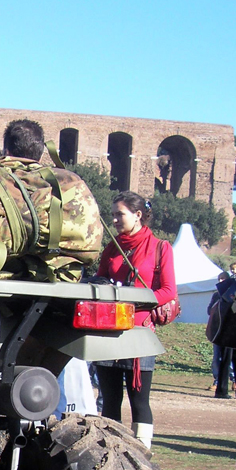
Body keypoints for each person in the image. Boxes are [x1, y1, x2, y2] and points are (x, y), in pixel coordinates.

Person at [93, 192, 177, 450]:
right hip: (108, 332)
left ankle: (142, 456)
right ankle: (111, 451)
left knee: (139, 401)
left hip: (140, 333)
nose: (115, 220)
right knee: (109, 400)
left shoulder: (161, 247)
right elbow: (99, 280)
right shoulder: (111, 248)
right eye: (114, 215)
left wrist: (133, 301)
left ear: (138, 215)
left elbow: (168, 291)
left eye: (120, 214)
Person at [208, 271, 236, 399]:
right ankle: (222, 390)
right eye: (220, 279)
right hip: (224, 329)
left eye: (223, 278)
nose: (221, 281)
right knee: (225, 358)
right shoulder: (218, 294)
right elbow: (211, 311)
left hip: (234, 329)